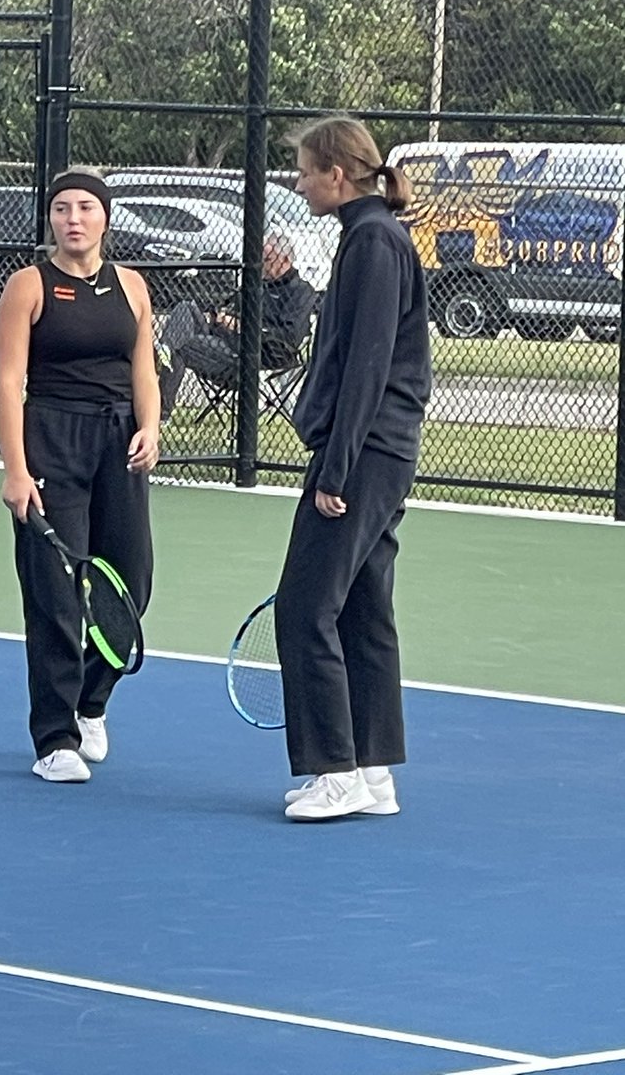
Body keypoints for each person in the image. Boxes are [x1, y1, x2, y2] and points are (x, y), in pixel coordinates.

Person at [275, 116, 432, 822]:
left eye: (306, 170)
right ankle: (373, 771)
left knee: (305, 609)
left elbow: (368, 364)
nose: (299, 181)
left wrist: (334, 470)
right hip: (379, 450)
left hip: (363, 455)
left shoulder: (372, 242)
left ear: (337, 174)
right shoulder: (371, 237)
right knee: (365, 607)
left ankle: (333, 771)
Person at [0, 168, 160, 784]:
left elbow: (143, 368)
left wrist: (151, 427)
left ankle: (91, 702)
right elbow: (9, 383)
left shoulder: (134, 287)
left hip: (119, 445)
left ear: (105, 217)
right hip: (52, 439)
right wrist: (17, 471)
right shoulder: (28, 286)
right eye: (61, 208)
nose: (73, 218)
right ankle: (55, 737)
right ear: (51, 221)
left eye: (85, 207)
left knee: (131, 585)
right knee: (56, 594)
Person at [156, 234, 317, 419]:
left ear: (285, 260)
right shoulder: (258, 285)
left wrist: (242, 326)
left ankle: (161, 412)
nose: (261, 264)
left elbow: (289, 338)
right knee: (186, 308)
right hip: (223, 340)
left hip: (252, 355)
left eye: (267, 259)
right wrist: (222, 315)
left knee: (182, 345)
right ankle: (163, 353)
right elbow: (229, 305)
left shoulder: (301, 292)